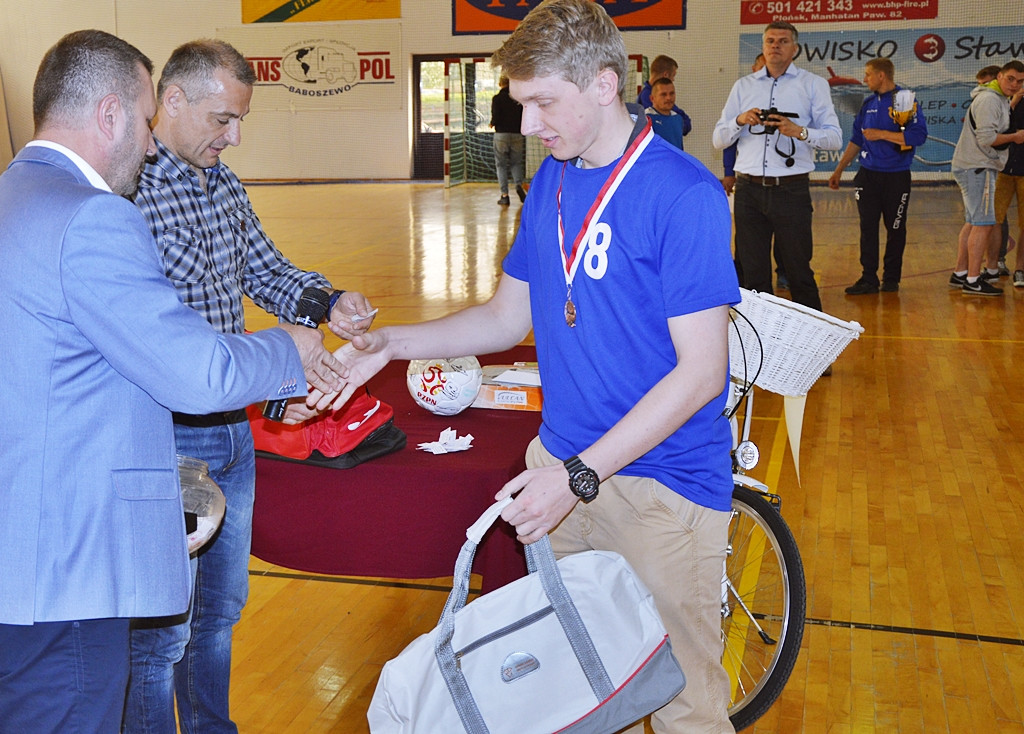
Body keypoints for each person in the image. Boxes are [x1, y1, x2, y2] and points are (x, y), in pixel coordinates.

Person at [317, 1, 740, 731]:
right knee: (572, 692)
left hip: (658, 489)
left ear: (605, 85)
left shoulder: (684, 194)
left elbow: (701, 373)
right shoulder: (551, 181)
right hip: (561, 471)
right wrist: (392, 344)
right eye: (522, 105)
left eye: (543, 102)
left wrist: (581, 475)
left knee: (682, 711)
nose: (530, 125)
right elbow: (506, 318)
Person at [0, 30, 343, 733]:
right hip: (72, 564)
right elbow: (193, 371)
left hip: (33, 551)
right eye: (147, 117)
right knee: (137, 663)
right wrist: (290, 350)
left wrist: (323, 304)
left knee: (212, 617)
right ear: (111, 115)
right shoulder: (98, 215)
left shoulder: (14, 195)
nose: (151, 143)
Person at [123, 39, 375, 734]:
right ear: (171, 100)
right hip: (168, 440)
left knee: (220, 616)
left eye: (239, 123)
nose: (232, 138)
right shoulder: (130, 195)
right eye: (222, 120)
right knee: (162, 630)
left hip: (231, 434)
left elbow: (265, 272)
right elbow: (164, 345)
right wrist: (274, 379)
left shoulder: (222, 184)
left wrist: (329, 302)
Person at [713, 20, 842, 312]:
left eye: (783, 41)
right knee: (752, 275)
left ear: (794, 49)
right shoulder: (743, 87)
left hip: (791, 191)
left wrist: (800, 131)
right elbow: (719, 138)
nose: (775, 46)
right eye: (770, 41)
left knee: (799, 272)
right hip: (748, 193)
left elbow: (835, 138)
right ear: (762, 46)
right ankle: (762, 352)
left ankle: (815, 352)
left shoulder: (813, 85)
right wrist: (739, 120)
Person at [828, 58, 928, 295]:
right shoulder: (868, 103)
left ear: (882, 75)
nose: (864, 79)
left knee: (895, 228)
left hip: (896, 176)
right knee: (868, 228)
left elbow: (918, 136)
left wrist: (882, 134)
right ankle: (868, 278)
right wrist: (839, 169)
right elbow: (857, 139)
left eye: (868, 74)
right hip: (868, 176)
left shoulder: (903, 100)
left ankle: (891, 279)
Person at [948, 60, 1024, 296]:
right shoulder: (990, 99)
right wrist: (1015, 137)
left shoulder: (996, 98)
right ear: (1000, 76)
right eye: (1010, 78)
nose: (1015, 84)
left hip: (976, 166)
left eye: (1020, 81)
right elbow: (986, 139)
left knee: (973, 222)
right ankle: (972, 279)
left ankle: (960, 274)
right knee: (983, 224)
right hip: (977, 167)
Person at [995, 89, 1024, 287]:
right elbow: (995, 129)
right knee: (994, 218)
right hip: (1002, 169)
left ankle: (1020, 269)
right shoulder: (1004, 100)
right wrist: (1013, 103)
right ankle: (994, 264)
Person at [491, 75, 527, 206]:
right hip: (517, 134)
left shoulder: (497, 98)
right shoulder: (517, 100)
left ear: (500, 84)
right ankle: (518, 185)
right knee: (516, 163)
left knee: (501, 165)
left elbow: (496, 116)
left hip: (501, 135)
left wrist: (492, 123)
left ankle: (504, 195)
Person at [636, 54, 692, 138]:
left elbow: (685, 123)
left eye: (672, 94)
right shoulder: (646, 98)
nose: (668, 98)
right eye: (673, 76)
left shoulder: (675, 115)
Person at [645, 77, 686, 149]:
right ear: (652, 98)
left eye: (671, 93)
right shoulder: (645, 118)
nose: (668, 98)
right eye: (663, 94)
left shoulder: (678, 119)